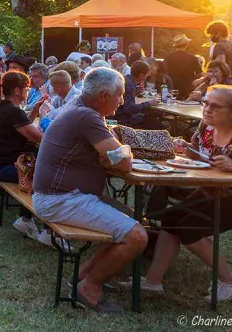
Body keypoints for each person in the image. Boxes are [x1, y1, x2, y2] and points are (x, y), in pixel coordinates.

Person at [136, 85, 232, 303]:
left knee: (189, 227)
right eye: (206, 103)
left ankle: (230, 281)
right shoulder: (206, 126)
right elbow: (197, 151)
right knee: (170, 218)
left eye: (215, 106)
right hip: (216, 189)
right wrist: (185, 149)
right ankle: (153, 281)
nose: (207, 109)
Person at [32, 67, 148, 314]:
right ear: (104, 95)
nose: (122, 101)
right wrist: (123, 150)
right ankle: (89, 289)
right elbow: (124, 162)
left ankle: (81, 277)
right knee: (136, 235)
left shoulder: (79, 107)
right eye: (120, 95)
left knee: (131, 220)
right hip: (59, 199)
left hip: (59, 195)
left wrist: (114, 153)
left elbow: (113, 155)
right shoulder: (87, 116)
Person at [0, 71, 45, 241]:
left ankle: (27, 220)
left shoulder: (4, 107)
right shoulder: (12, 111)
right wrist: (44, 117)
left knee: (37, 167)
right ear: (18, 90)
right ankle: (47, 230)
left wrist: (35, 110)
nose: (28, 91)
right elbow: (38, 137)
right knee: (45, 178)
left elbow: (22, 127)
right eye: (27, 88)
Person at [113, 60, 159, 126]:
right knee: (153, 120)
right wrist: (148, 103)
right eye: (147, 74)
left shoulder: (126, 79)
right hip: (121, 119)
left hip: (115, 115)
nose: (147, 76)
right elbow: (129, 109)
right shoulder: (130, 85)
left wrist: (136, 92)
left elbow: (125, 99)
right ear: (141, 75)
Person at [163, 34, 202, 99]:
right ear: (186, 45)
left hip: (171, 89)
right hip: (187, 91)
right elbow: (199, 74)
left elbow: (164, 73)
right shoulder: (193, 58)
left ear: (175, 46)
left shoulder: (167, 57)